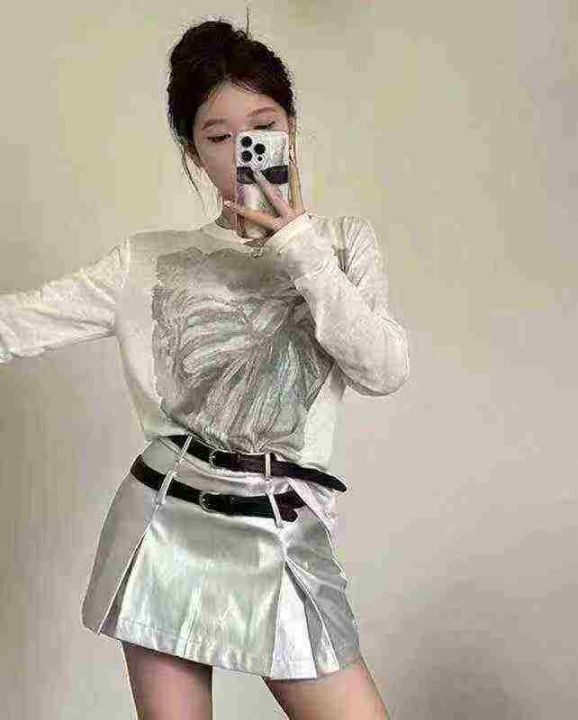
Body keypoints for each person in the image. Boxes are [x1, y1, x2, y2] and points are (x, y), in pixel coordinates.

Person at [0, 16, 410, 720]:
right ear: (193, 153)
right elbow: (16, 323)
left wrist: (297, 245)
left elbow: (383, 369)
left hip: (281, 526)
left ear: (291, 131)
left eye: (263, 127)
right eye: (218, 137)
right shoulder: (145, 261)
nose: (242, 150)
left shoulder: (341, 247)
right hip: (166, 520)